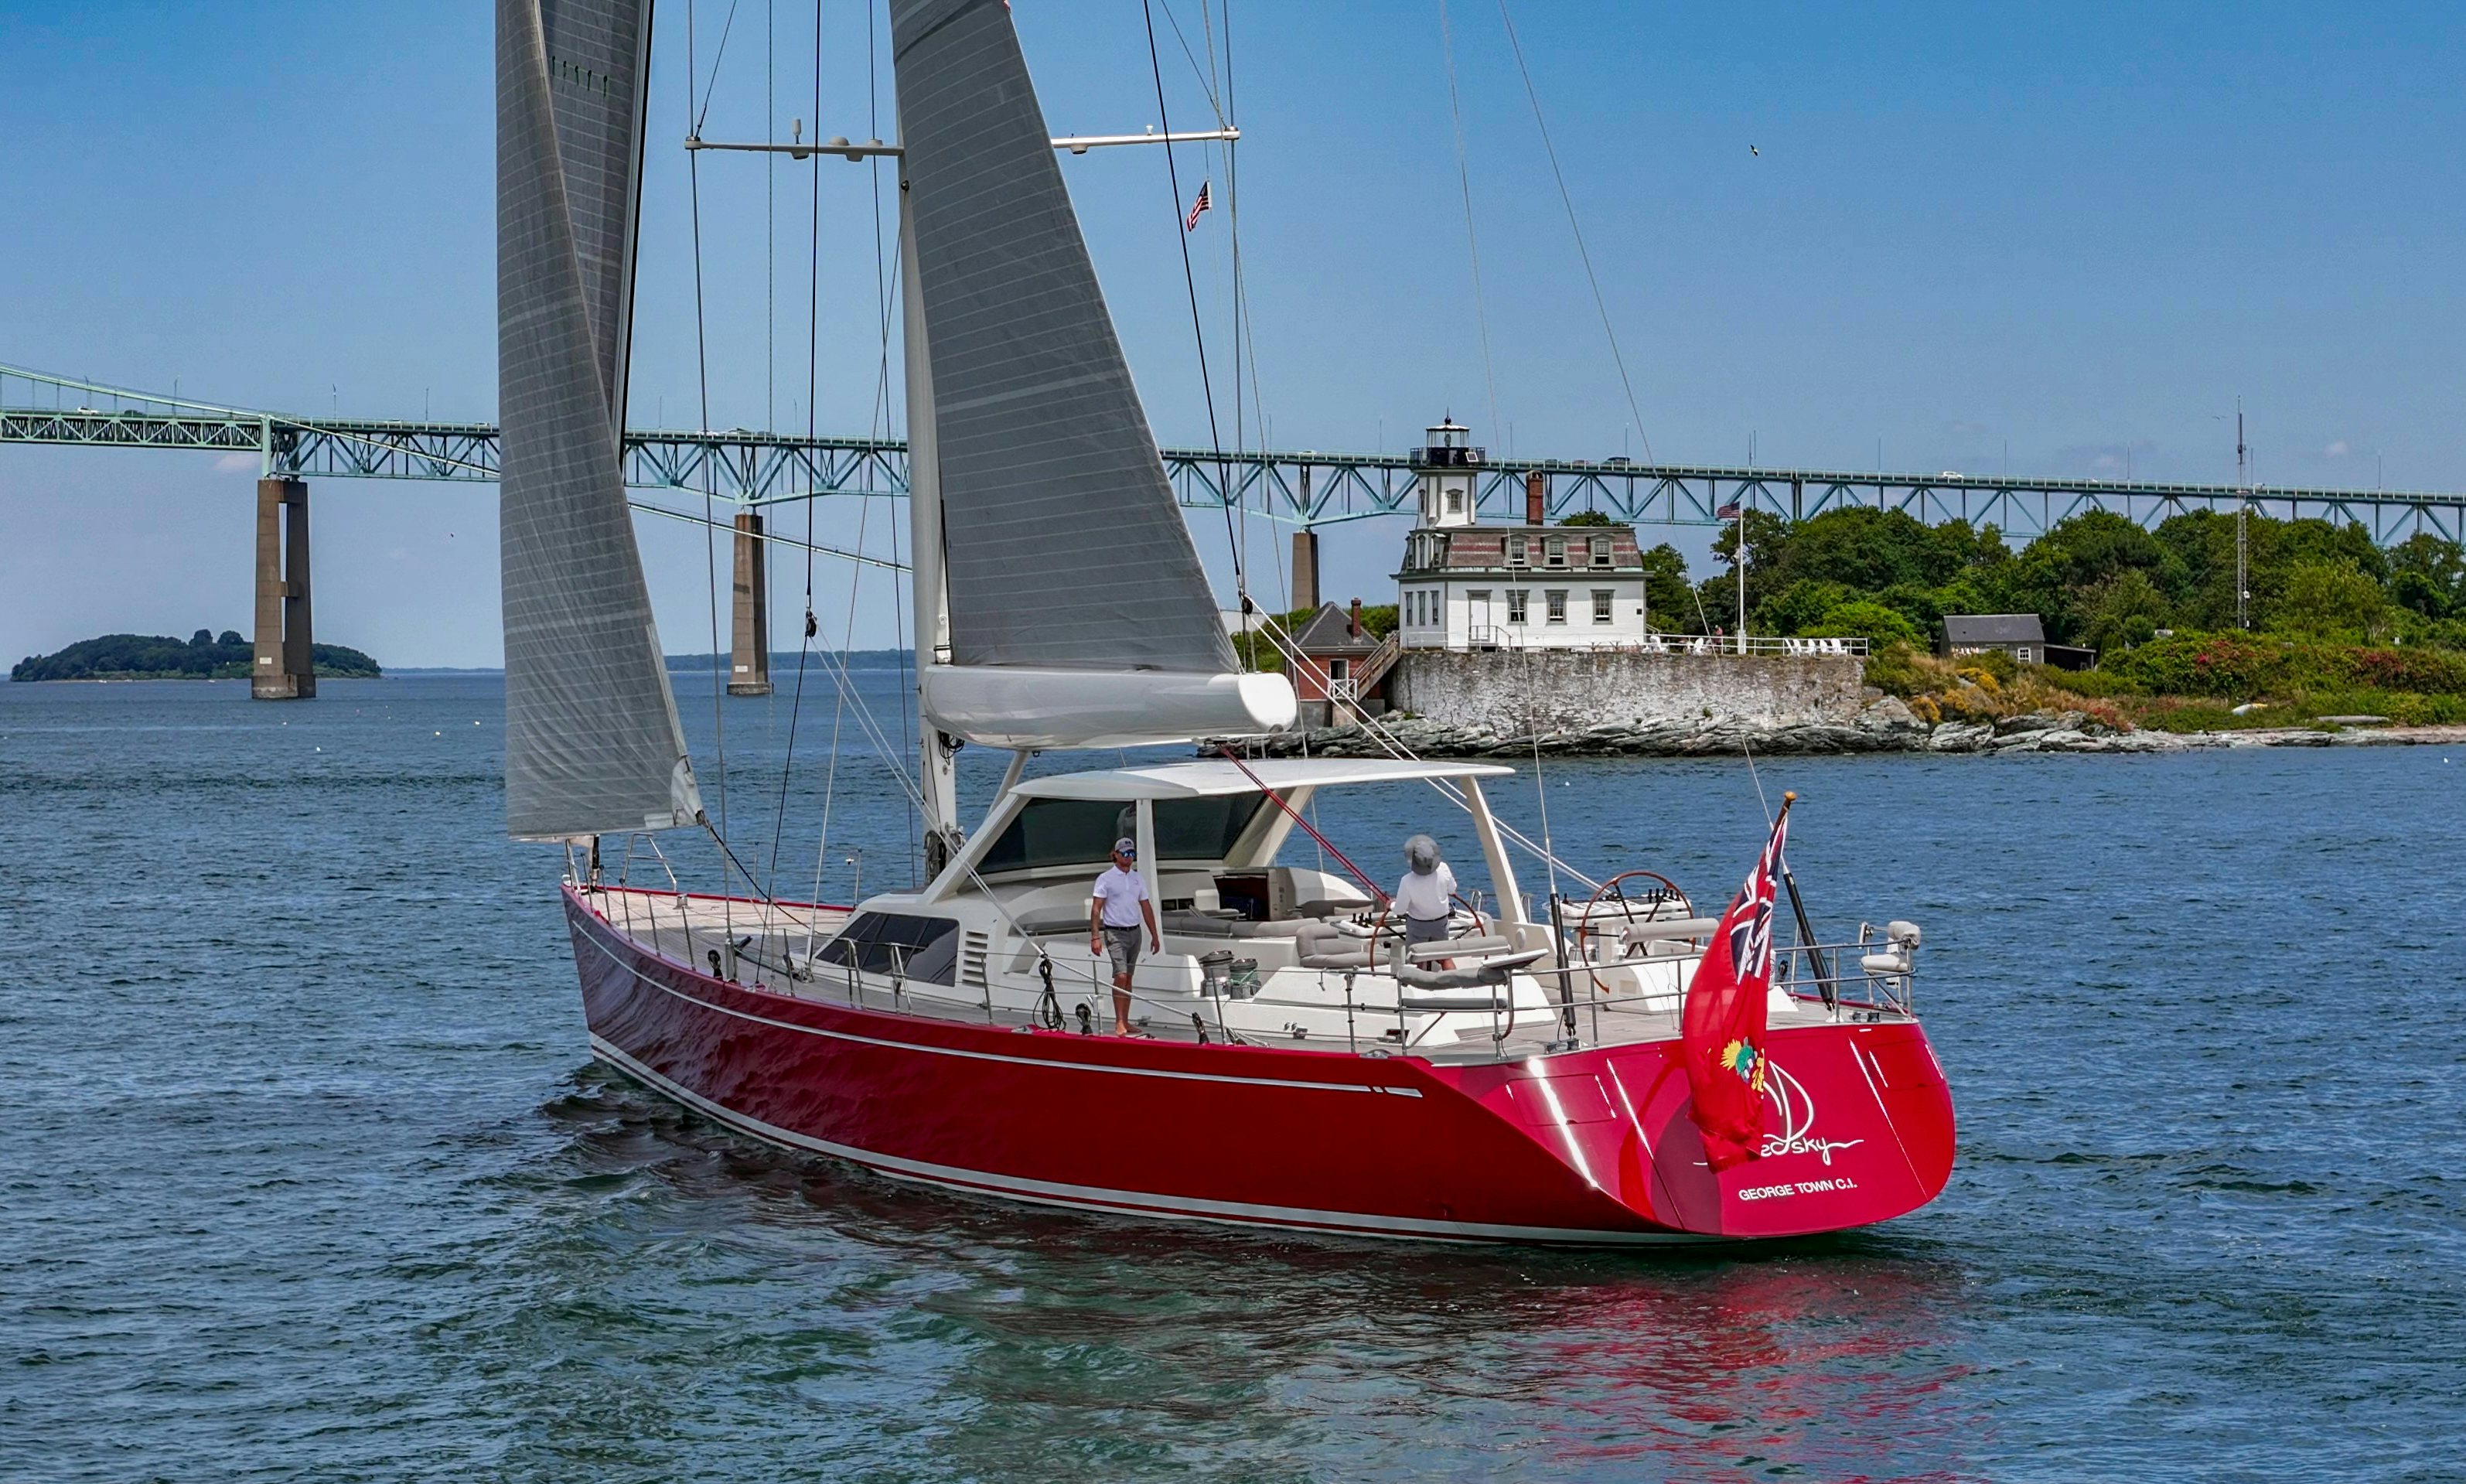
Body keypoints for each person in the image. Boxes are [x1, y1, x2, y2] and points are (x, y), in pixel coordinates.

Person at [1089, 838, 1161, 1036]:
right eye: (1126, 854)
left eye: (1132, 854)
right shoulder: (1105, 878)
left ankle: (1126, 1020)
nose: (1130, 857)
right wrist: (1095, 937)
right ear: (1116, 855)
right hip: (1115, 932)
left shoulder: (1138, 878)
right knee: (1120, 975)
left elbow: (1146, 907)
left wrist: (1155, 935)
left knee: (1128, 977)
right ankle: (1119, 1021)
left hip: (1134, 932)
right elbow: (1097, 909)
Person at [1394, 834, 1458, 966]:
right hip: (1441, 923)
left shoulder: (1407, 881)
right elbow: (1452, 890)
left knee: (1416, 959)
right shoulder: (1444, 868)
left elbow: (1400, 910)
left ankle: (1417, 984)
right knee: (1444, 957)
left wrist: (1391, 905)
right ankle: (1455, 984)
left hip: (1418, 926)